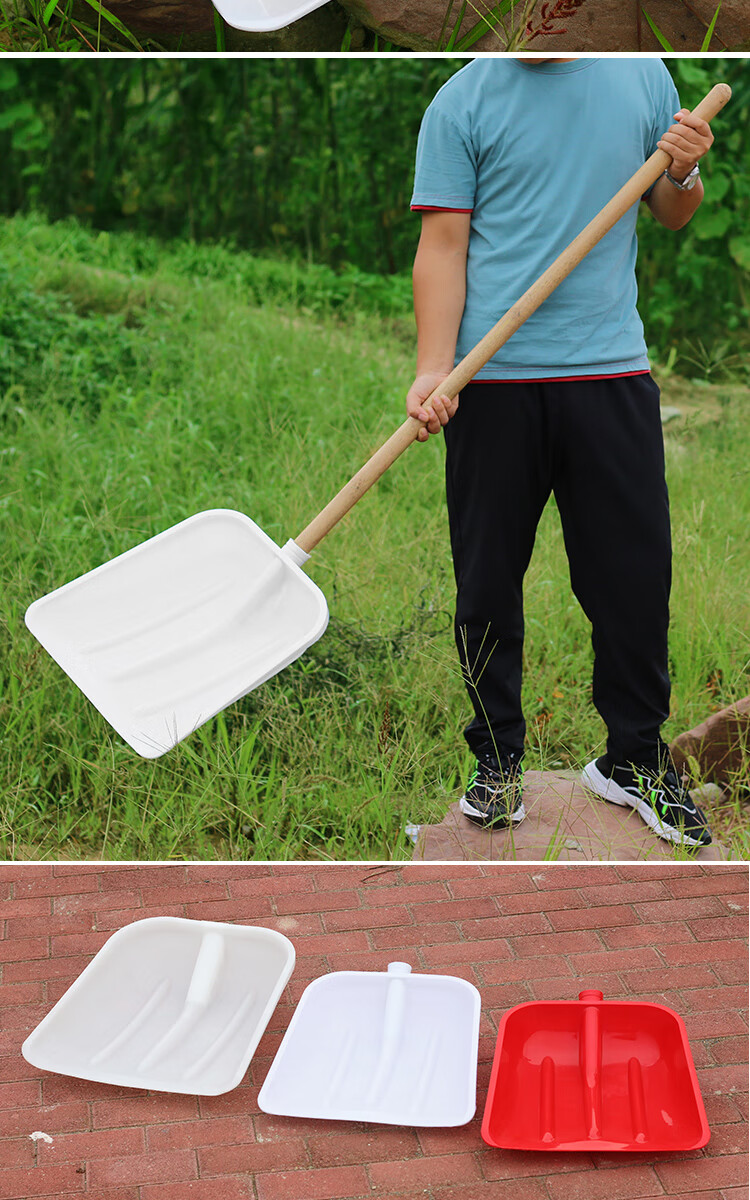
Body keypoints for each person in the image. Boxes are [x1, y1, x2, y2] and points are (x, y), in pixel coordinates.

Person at [406, 57, 715, 848]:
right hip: (490, 381)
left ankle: (634, 761)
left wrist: (682, 170)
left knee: (633, 582)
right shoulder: (462, 100)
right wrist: (434, 369)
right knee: (484, 584)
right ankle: (498, 761)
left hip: (610, 371)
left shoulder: (644, 77)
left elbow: (675, 211)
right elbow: (442, 245)